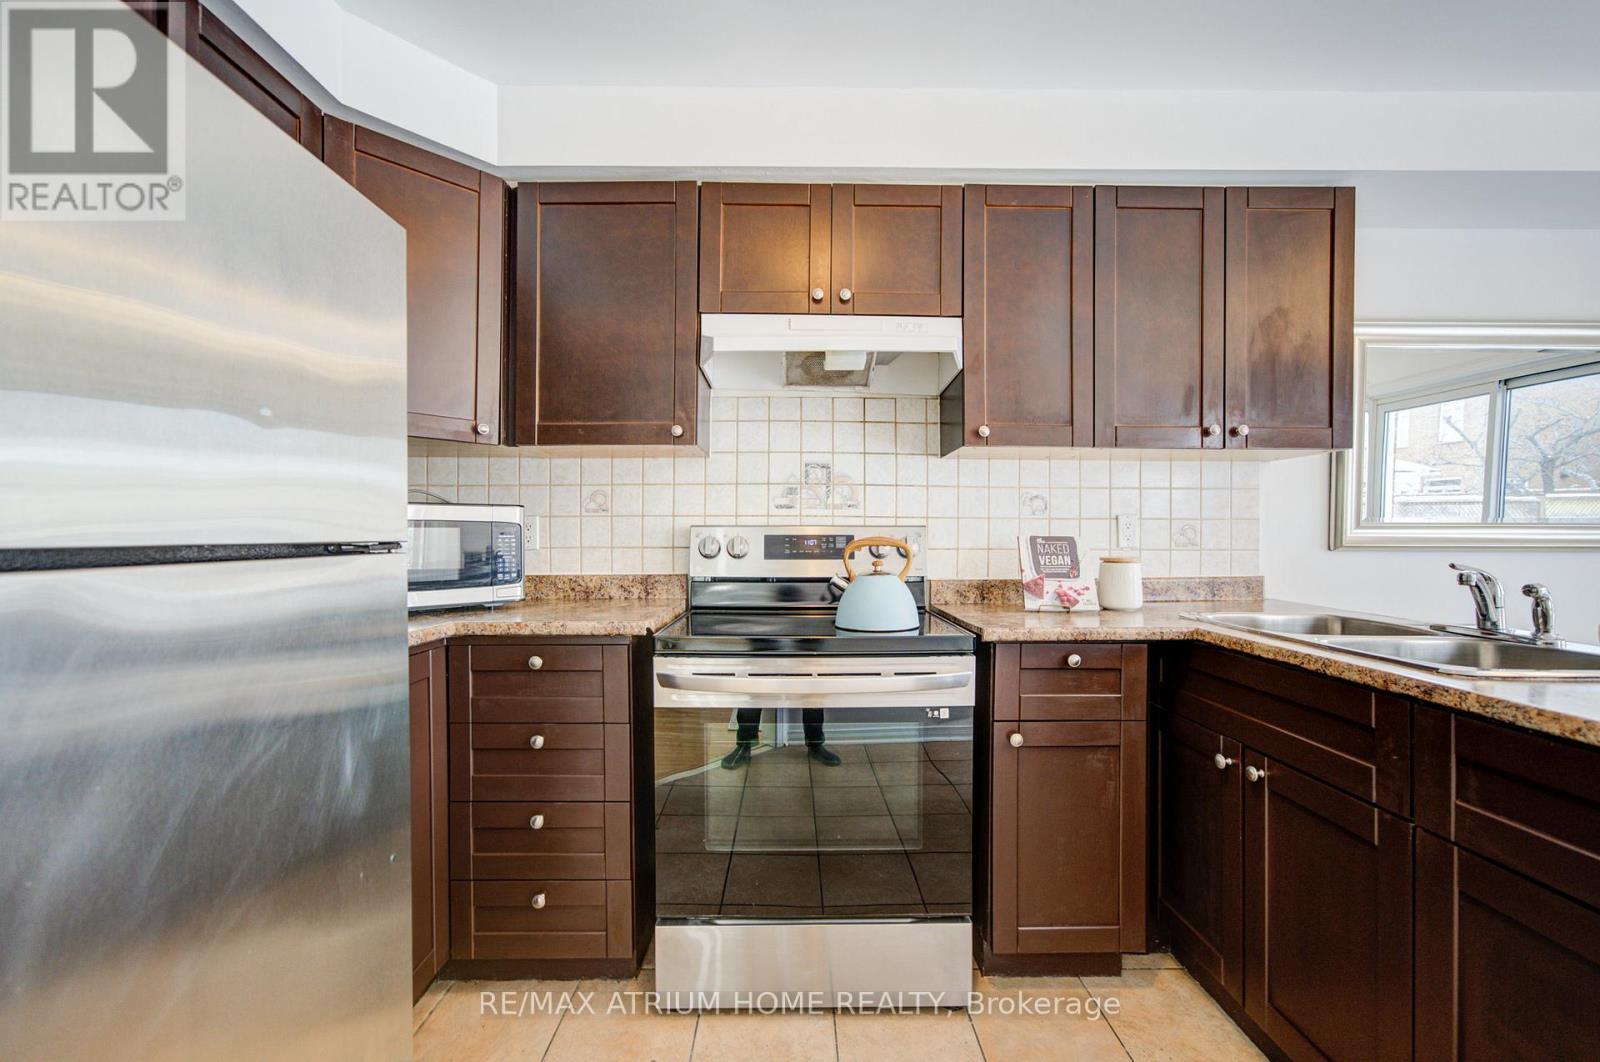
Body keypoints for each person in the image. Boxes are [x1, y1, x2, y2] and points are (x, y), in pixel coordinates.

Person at [720, 708, 841, 768]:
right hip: (762, 662)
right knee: (751, 697)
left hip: (801, 662)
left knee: (812, 697)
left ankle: (815, 745)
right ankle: (744, 746)